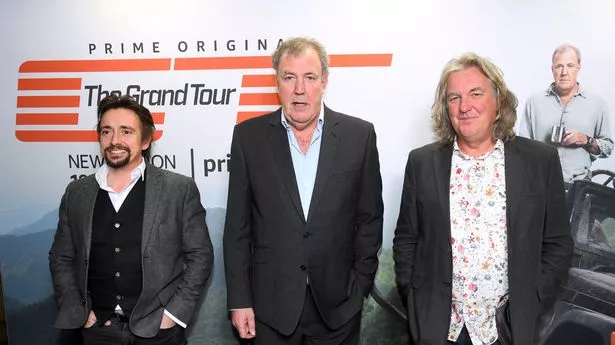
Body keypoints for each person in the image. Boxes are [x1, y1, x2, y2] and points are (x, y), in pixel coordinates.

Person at [393, 52, 573, 345]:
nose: (465, 106)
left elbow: (557, 243)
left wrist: (532, 300)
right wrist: (415, 299)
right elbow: (406, 240)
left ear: (498, 101)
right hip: (441, 330)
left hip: (506, 331)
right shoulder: (422, 162)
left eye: (475, 93)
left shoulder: (539, 161)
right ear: (445, 107)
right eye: (454, 98)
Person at [223, 36, 383, 345]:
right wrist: (240, 299)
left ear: (324, 81)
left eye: (309, 77)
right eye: (289, 77)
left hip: (338, 307)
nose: (300, 89)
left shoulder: (359, 135)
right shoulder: (248, 137)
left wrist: (359, 285)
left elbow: (369, 219)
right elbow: (237, 229)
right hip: (269, 310)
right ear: (277, 82)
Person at [49, 95, 213, 345]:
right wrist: (81, 312)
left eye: (126, 131)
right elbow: (61, 257)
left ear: (145, 139)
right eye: (107, 131)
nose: (115, 141)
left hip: (160, 332)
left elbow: (200, 255)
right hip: (96, 332)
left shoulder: (179, 189)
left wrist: (173, 315)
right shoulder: (77, 193)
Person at [519, 44, 613, 183]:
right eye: (559, 66)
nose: (564, 72)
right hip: (540, 185)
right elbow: (522, 148)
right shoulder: (534, 102)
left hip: (579, 187)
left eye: (570, 65)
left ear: (578, 68)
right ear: (552, 70)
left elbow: (608, 148)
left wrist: (586, 140)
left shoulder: (597, 104)